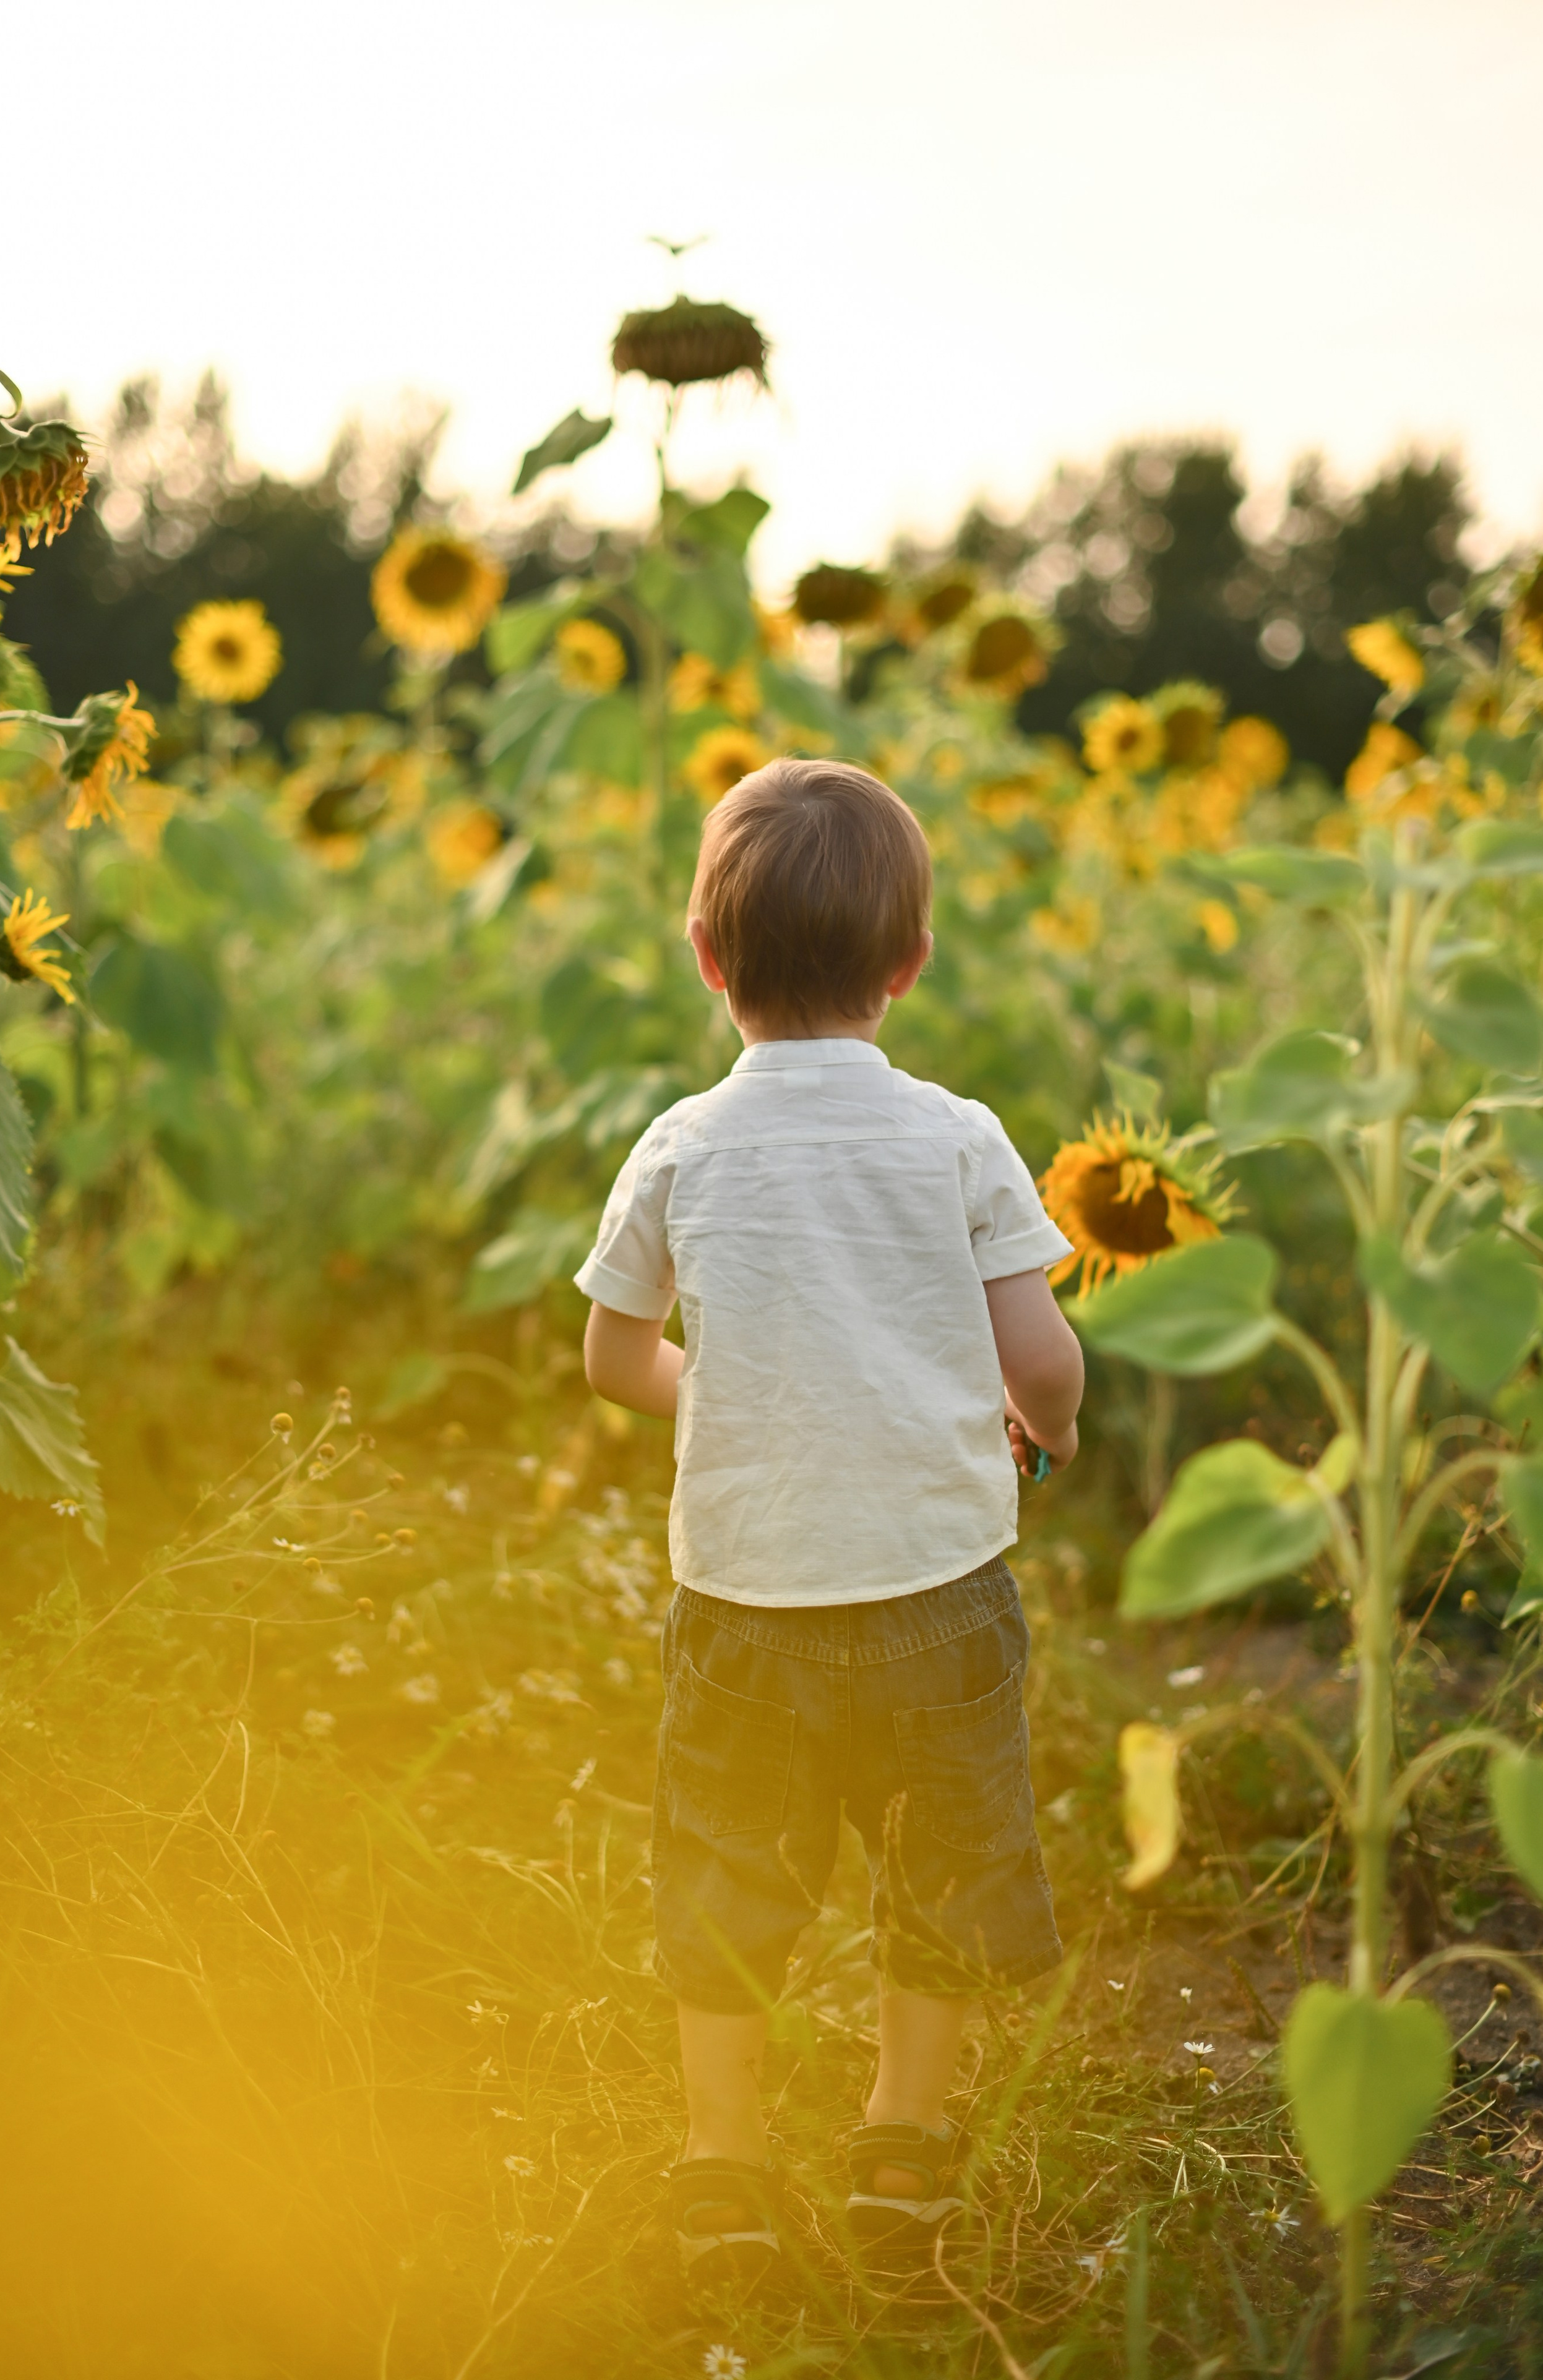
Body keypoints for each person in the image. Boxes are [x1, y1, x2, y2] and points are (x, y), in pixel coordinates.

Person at [575, 756, 1083, 2288]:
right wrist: (1038, 1436)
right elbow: (1041, 1355)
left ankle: (724, 2163)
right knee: (938, 1867)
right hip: (936, 1586)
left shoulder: (677, 1144)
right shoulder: (956, 1135)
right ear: (907, 963)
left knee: (726, 1873)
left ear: (707, 957)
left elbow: (611, 1358)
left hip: (743, 1603)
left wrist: (729, 1402)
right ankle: (900, 2143)